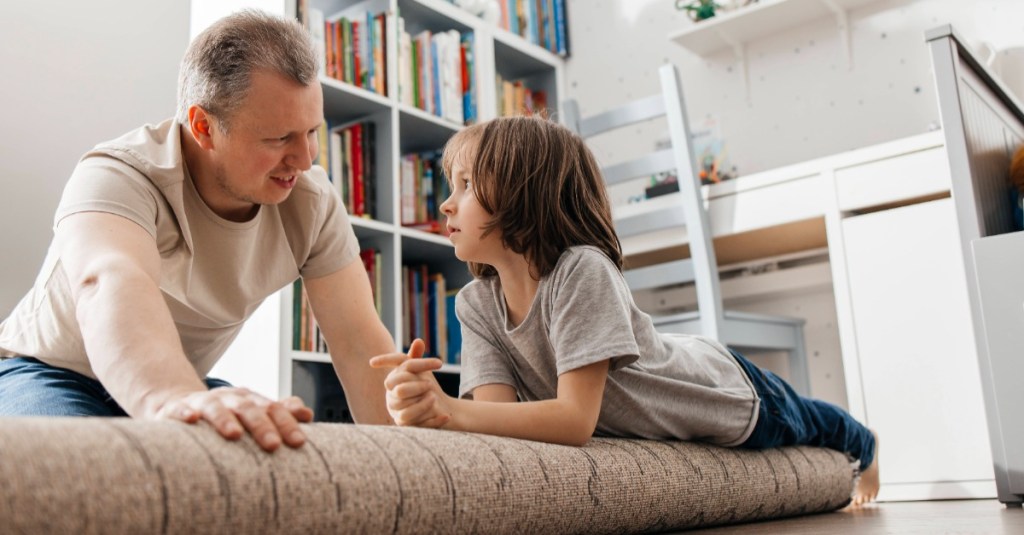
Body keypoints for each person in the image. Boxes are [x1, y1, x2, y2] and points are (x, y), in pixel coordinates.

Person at [370, 115, 881, 506]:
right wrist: (428, 408)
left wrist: (448, 410)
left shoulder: (580, 271)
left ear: (524, 193)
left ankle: (867, 440)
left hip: (722, 390)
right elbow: (503, 421)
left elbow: (574, 421)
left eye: (465, 185)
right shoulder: (475, 305)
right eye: (450, 186)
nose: (446, 204)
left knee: (808, 421)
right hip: (671, 375)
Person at [0, 10, 396, 452]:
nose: (304, 159)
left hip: (178, 379)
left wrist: (409, 459)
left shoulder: (312, 202)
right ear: (204, 127)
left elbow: (360, 343)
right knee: (77, 467)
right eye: (279, 138)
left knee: (273, 462)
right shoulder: (119, 174)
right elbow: (110, 281)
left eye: (311, 132)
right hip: (55, 372)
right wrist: (175, 400)